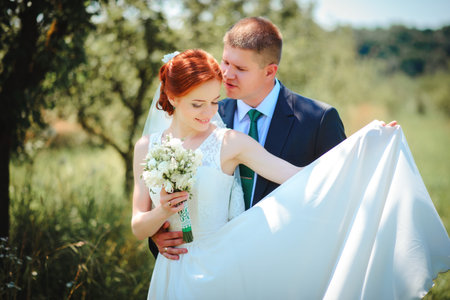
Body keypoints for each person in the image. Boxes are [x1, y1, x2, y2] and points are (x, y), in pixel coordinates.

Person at [133, 49, 449, 299]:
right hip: (172, 269)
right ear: (172, 98)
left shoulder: (229, 142)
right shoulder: (145, 148)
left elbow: (300, 174)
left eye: (215, 102)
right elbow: (138, 226)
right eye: (197, 104)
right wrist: (162, 211)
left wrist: (366, 144)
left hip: (225, 268)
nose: (209, 113)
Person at [151, 17, 347, 260]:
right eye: (225, 62)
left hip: (284, 262)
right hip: (212, 266)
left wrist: (374, 141)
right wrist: (159, 233)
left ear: (269, 71)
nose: (227, 74)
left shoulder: (317, 120)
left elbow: (340, 185)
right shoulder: (206, 114)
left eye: (240, 69)